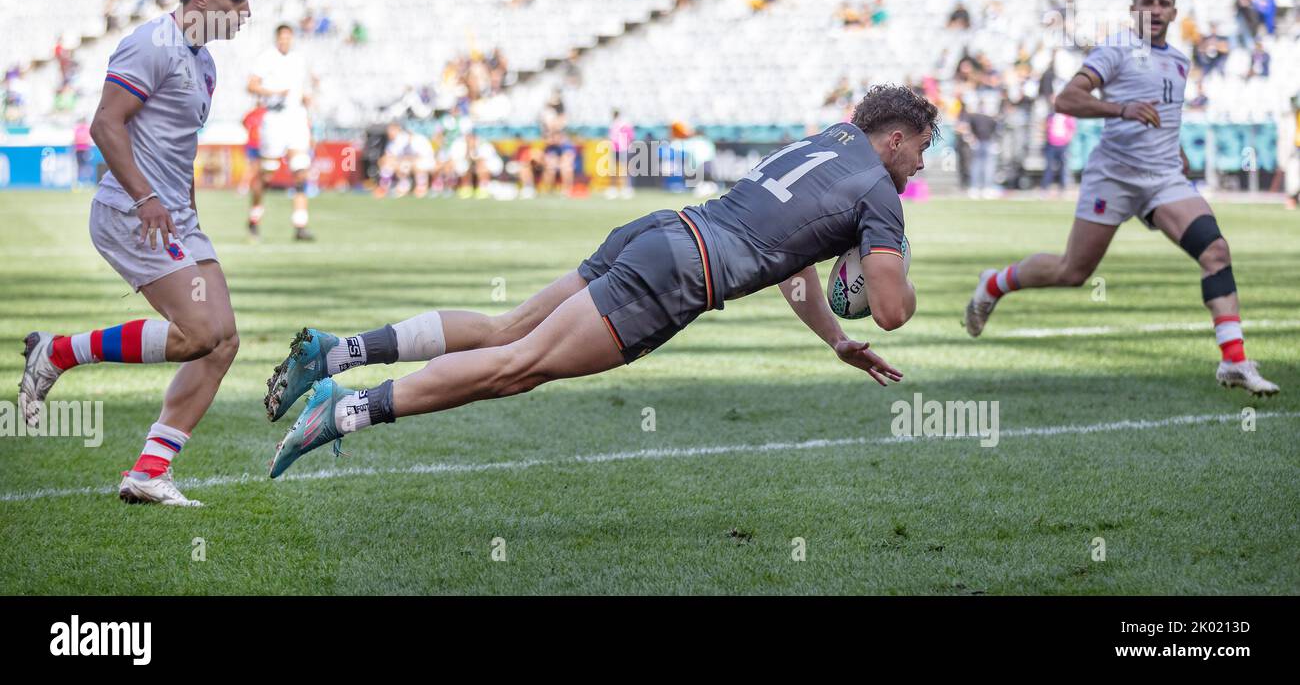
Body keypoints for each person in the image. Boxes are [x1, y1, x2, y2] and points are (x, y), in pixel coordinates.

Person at [262, 86, 937, 476]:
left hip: (658, 232)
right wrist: (891, 248)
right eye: (922, 150)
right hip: (678, 275)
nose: (920, 166)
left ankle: (336, 351)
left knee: (508, 328)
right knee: (515, 366)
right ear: (897, 139)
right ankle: (343, 408)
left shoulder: (829, 140)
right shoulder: (880, 191)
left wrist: (831, 341)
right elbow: (889, 311)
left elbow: (789, 262)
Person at [962, 0, 1279, 396]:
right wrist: (1121, 108)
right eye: (1146, 1)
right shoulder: (1115, 50)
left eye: (1163, 2)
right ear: (1133, 10)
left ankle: (1233, 361)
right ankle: (993, 283)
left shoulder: (1181, 62)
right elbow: (1066, 100)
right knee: (1072, 272)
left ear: (1174, 12)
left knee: (1216, 252)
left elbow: (1163, 117)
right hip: (1113, 176)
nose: (1155, 8)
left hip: (1164, 178)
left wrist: (1178, 152)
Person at [18, 0, 252, 506]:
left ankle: (149, 472)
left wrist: (188, 219)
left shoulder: (205, 64)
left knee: (221, 343)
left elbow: (179, 149)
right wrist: (147, 197)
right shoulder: (153, 44)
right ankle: (58, 353)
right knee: (196, 333)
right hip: (131, 210)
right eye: (236, 0)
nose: (245, 13)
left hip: (175, 217)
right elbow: (105, 122)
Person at [247, 24, 316, 241]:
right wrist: (274, 92)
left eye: (289, 37)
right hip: (274, 118)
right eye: (282, 38)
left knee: (300, 170)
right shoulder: (266, 58)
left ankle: (300, 224)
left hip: (296, 117)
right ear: (277, 39)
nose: (285, 41)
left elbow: (302, 87)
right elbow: (251, 86)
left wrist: (306, 98)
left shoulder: (299, 59)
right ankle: (254, 218)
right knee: (267, 174)